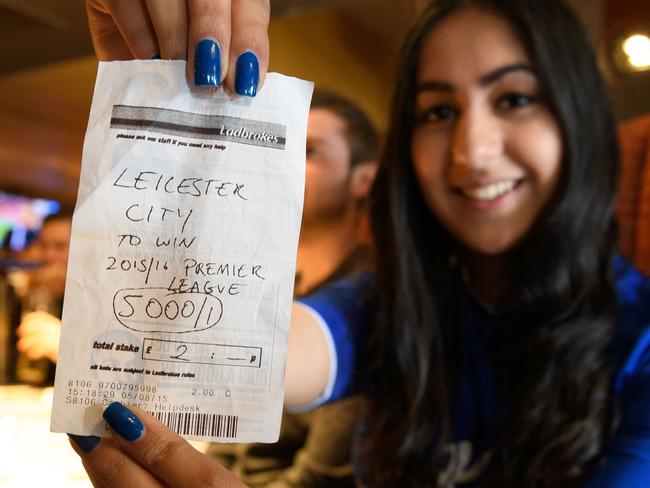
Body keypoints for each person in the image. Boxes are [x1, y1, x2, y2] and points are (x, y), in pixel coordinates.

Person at [69, 0, 650, 486]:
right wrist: (158, 118)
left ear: (579, 118)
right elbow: (240, 351)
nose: (471, 151)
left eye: (514, 99)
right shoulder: (389, 303)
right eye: (439, 110)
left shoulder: (640, 339)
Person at [207, 89, 378, 487]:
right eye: (279, 146)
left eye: (309, 151)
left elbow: (323, 478)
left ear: (364, 179)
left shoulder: (365, 302)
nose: (281, 164)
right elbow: (227, 434)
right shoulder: (266, 284)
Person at [15, 211, 72, 382]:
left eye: (60, 247)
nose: (48, 256)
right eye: (43, 246)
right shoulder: (32, 292)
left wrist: (65, 348)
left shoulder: (100, 302)